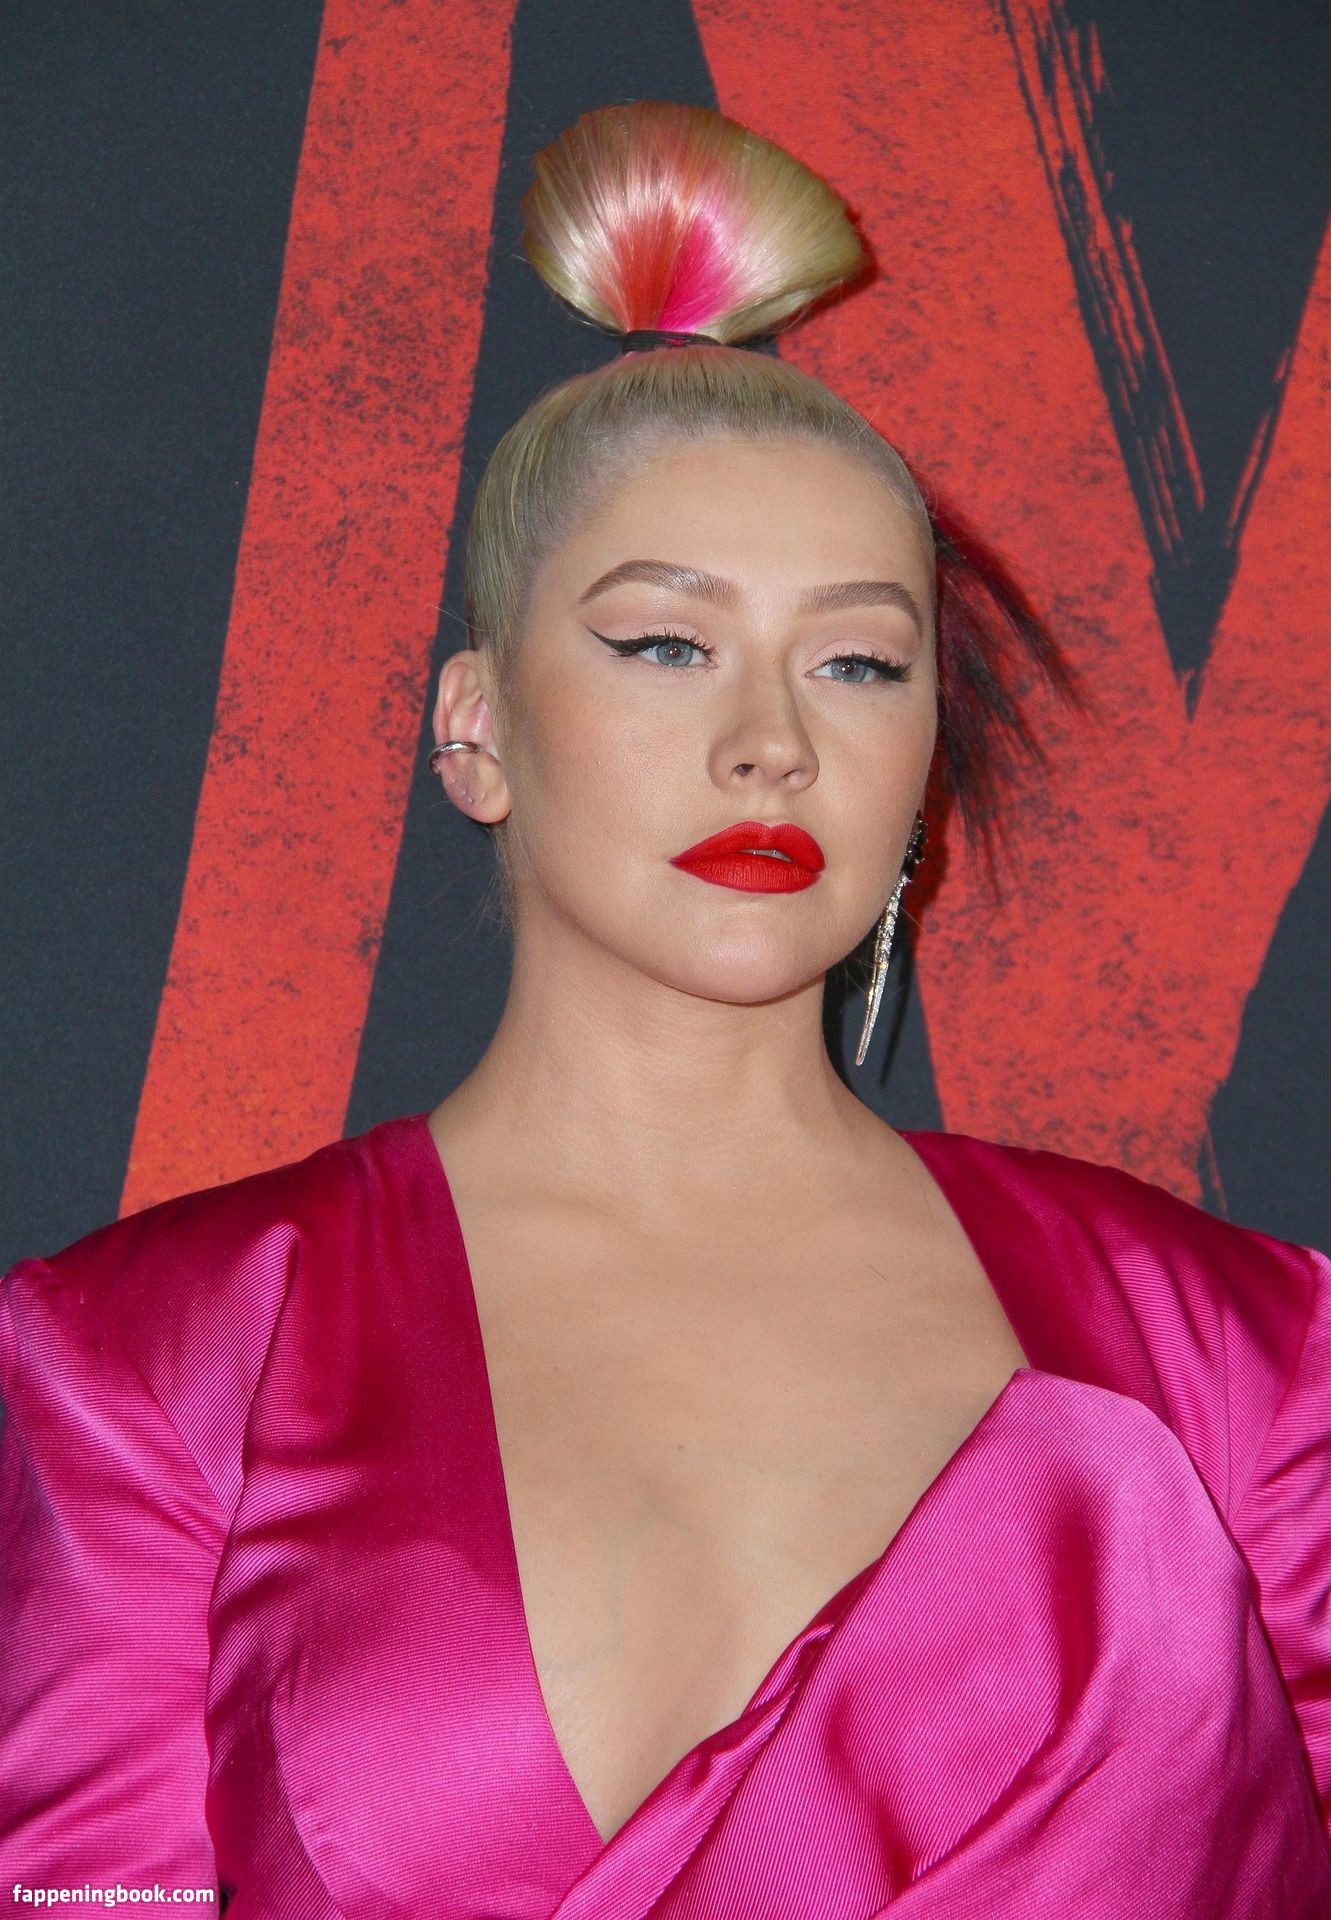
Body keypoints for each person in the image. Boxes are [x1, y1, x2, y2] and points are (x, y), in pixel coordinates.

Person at [1, 100, 1328, 1919]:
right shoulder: (154, 1359)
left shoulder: (1244, 1353)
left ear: (922, 767)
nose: (771, 742)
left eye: (857, 662)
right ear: (476, 726)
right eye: (665, 643)